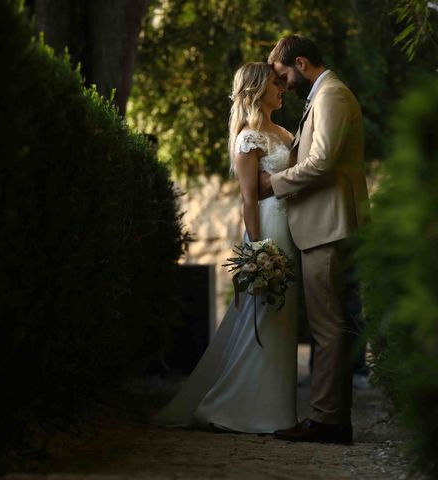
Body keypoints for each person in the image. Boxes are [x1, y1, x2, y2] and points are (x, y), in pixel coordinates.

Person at [152, 62, 299, 434]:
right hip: (268, 230)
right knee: (263, 318)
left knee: (284, 319)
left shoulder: (283, 132)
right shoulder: (248, 138)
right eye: (274, 84)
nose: (281, 88)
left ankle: (279, 411)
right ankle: (235, 408)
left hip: (292, 230)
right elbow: (249, 200)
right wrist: (259, 250)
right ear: (256, 90)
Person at [259, 35, 370, 445]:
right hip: (327, 224)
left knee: (327, 327)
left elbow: (321, 162)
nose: (284, 85)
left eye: (284, 75)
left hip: (329, 225)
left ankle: (328, 421)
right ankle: (332, 418)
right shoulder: (324, 96)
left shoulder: (331, 96)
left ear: (301, 62)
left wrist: (273, 184)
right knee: (331, 325)